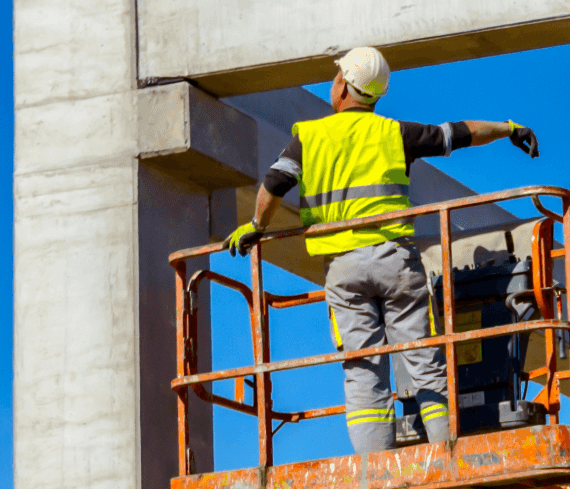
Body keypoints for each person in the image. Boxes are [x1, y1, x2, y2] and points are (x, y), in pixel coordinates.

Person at [225, 46, 541, 455]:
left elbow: (274, 184)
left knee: (363, 367)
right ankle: (447, 454)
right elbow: (458, 133)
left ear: (342, 85)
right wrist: (508, 127)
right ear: (375, 94)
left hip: (343, 268)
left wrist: (255, 227)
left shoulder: (311, 137)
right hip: (395, 260)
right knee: (422, 359)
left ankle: (375, 466)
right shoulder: (395, 133)